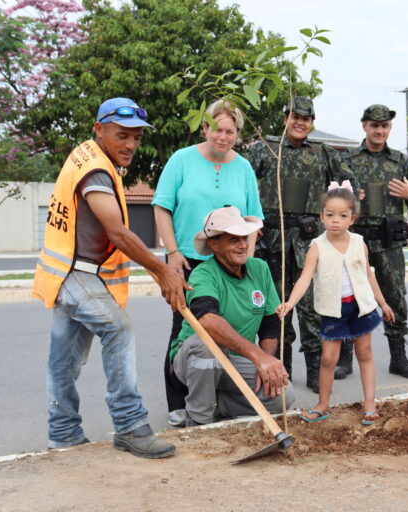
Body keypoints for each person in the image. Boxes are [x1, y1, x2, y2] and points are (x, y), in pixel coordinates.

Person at [33, 97, 190, 458]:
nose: (131, 145)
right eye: (123, 135)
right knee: (118, 327)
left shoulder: (87, 155)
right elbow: (117, 232)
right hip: (76, 276)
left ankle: (63, 435)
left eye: (136, 137)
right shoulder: (96, 171)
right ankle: (130, 425)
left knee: (63, 362)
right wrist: (163, 269)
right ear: (99, 129)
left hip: (68, 273)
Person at [152, 99, 263, 427]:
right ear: (205, 128)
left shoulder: (243, 167)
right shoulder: (181, 160)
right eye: (217, 129)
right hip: (189, 259)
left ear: (237, 134)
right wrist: (172, 253)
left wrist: (249, 259)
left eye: (230, 131)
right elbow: (161, 207)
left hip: (232, 263)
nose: (223, 136)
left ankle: (225, 396)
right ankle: (178, 401)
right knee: (185, 330)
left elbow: (253, 216)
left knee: (232, 327)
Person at [248, 96, 355, 393]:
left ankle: (313, 370)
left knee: (311, 309)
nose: (300, 122)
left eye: (306, 118)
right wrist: (250, 222)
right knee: (279, 309)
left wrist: (337, 218)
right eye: (295, 116)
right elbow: (242, 182)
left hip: (310, 243)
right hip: (273, 241)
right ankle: (281, 371)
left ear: (312, 123)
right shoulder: (265, 149)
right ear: (285, 118)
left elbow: (349, 181)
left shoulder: (323, 153)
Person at [276, 182, 394, 424]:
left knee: (365, 354)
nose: (335, 221)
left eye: (342, 215)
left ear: (353, 218)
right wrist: (289, 302)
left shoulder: (360, 243)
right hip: (333, 311)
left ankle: (370, 405)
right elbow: (304, 278)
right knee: (328, 358)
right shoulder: (316, 247)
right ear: (321, 217)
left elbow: (369, 276)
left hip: (361, 308)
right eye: (330, 215)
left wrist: (383, 304)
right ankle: (322, 404)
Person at [170, 206, 294, 426]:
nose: (244, 245)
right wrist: (257, 356)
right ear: (214, 244)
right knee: (207, 347)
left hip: (237, 358)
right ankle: (199, 422)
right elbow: (207, 320)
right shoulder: (203, 273)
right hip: (193, 357)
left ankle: (216, 405)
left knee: (282, 396)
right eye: (234, 240)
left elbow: (270, 324)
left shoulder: (260, 268)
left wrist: (265, 363)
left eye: (244, 238)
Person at [337, 104, 408, 381]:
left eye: (384, 125)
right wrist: (346, 196)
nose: (379, 130)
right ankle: (344, 358)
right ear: (364, 126)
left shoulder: (400, 161)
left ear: (389, 128)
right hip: (355, 239)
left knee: (395, 296)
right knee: (348, 295)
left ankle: (399, 357)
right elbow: (330, 197)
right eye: (374, 125)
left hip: (389, 241)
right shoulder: (347, 159)